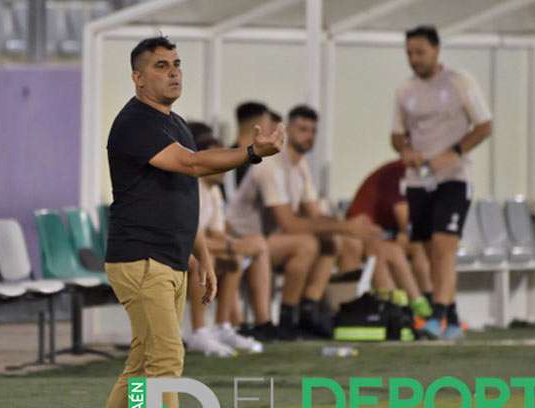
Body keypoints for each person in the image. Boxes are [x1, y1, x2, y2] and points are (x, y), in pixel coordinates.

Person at [83, 36, 283, 408]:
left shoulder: (175, 124)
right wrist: (251, 153)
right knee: (168, 356)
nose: (173, 72)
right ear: (137, 77)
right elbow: (194, 167)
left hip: (170, 260)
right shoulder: (134, 124)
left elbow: (184, 194)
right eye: (160, 66)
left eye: (176, 64)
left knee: (142, 363)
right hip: (140, 257)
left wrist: (204, 258)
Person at [227, 105, 382, 340]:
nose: (308, 135)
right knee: (307, 244)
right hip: (241, 239)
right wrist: (345, 226)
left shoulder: (300, 165)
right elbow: (288, 223)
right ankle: (287, 318)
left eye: (312, 131)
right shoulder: (270, 166)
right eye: (302, 129)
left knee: (334, 241)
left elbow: (314, 213)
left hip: (267, 239)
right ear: (288, 129)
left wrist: (349, 227)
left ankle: (309, 310)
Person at [391, 25, 492, 339]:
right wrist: (405, 151)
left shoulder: (460, 82)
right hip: (418, 181)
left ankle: (437, 317)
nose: (414, 59)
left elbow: (484, 126)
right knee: (428, 249)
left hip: (453, 178)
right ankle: (450, 314)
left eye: (420, 52)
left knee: (444, 243)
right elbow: (396, 134)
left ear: (436, 50)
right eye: (409, 53)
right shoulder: (405, 91)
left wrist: (454, 152)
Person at [184, 125, 270, 357]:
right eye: (217, 158)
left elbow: (215, 234)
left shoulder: (214, 192)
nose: (224, 166)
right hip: (172, 248)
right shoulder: (190, 187)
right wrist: (231, 246)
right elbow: (188, 234)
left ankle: (223, 327)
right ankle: (198, 332)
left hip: (195, 247)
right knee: (206, 258)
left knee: (234, 258)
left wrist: (235, 247)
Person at [339, 160, 432, 319]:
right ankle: (399, 308)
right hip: (364, 234)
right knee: (383, 252)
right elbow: (404, 217)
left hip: (384, 234)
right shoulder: (396, 172)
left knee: (419, 248)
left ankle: (428, 303)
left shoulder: (421, 175)